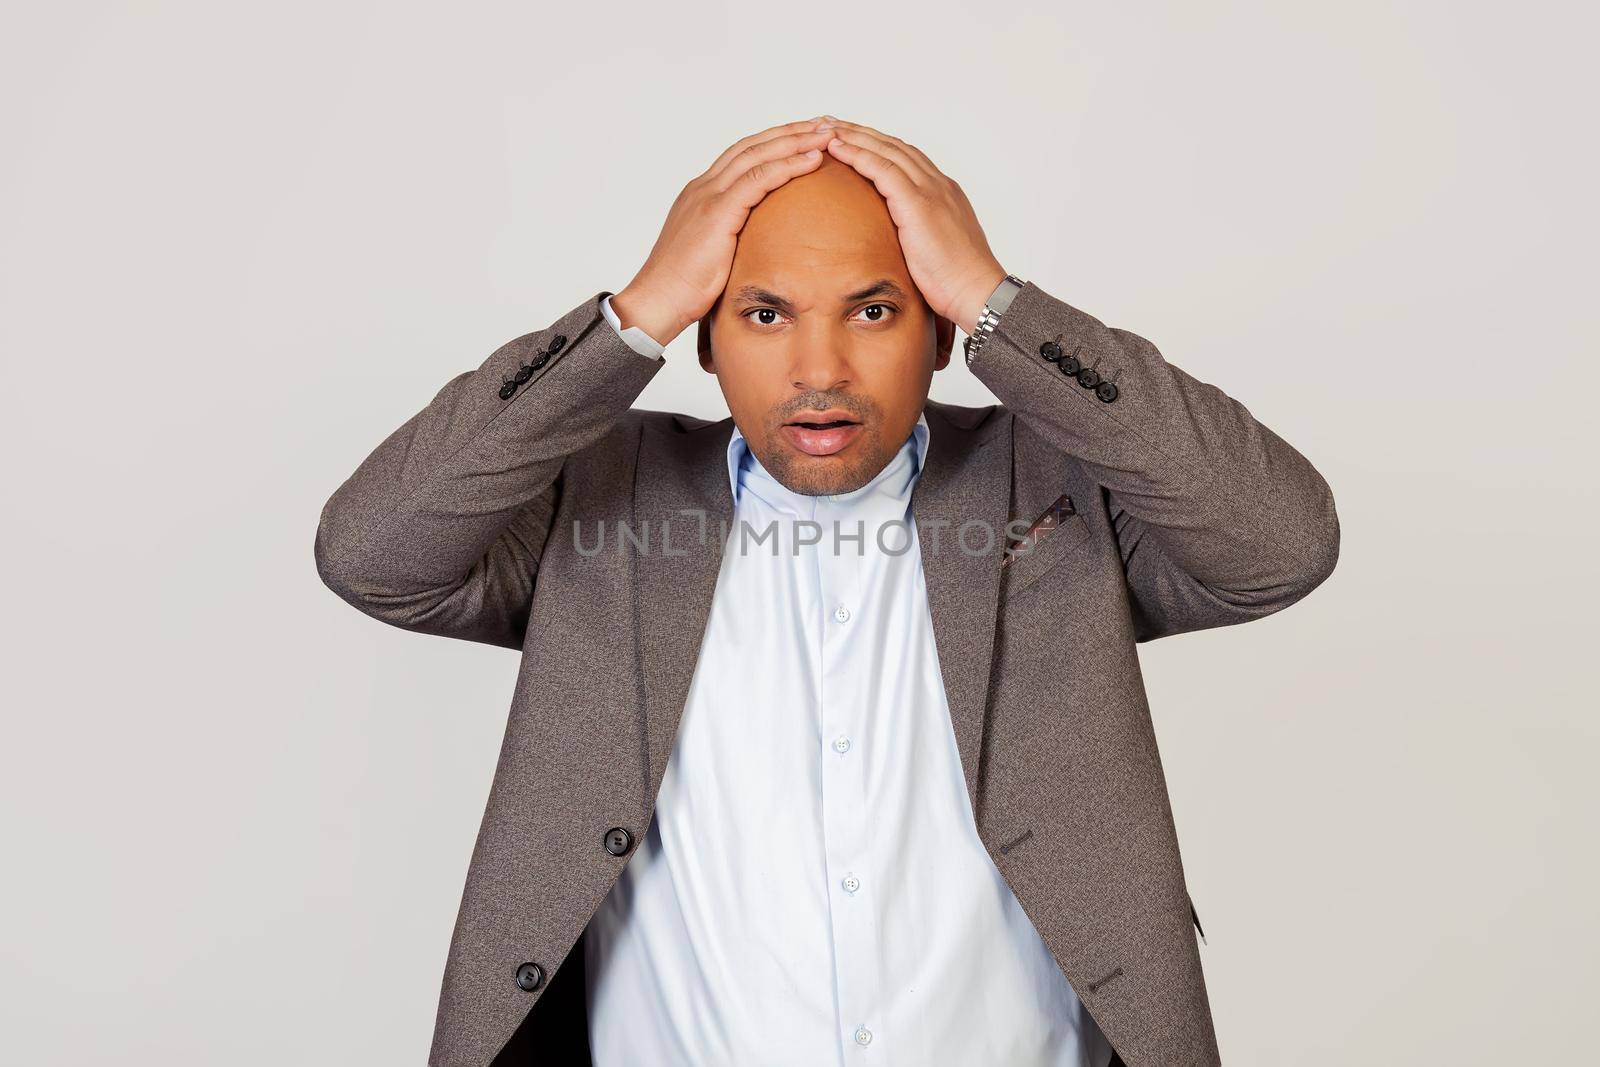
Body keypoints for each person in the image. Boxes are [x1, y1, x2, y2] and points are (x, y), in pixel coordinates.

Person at [314, 115, 1340, 1067]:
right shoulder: (600, 492)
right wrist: (629, 317)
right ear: (705, 339)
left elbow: (1279, 542)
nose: (820, 365)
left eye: (873, 310)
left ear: (937, 332)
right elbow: (373, 552)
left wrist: (999, 302)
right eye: (763, 313)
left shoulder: (1055, 481)